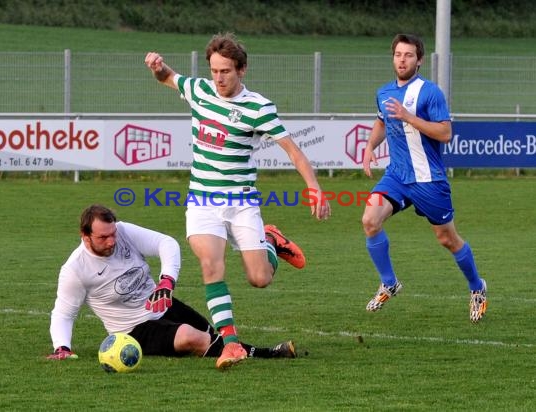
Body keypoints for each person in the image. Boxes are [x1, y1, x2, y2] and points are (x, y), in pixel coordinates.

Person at [144, 32, 331, 369]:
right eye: (215, 70)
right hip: (202, 201)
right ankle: (231, 344)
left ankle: (271, 240)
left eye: (226, 71)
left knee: (259, 279)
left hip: (241, 202)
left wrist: (314, 187)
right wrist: (157, 66)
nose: (219, 78)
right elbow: (167, 78)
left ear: (241, 70)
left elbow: (293, 151)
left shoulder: (258, 107)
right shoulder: (200, 90)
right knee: (211, 265)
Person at [46, 204, 297, 364]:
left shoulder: (122, 232)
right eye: (103, 237)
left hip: (162, 304)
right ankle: (269, 354)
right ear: (85, 236)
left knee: (216, 334)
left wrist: (166, 280)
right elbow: (64, 313)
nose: (112, 241)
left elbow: (166, 243)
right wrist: (62, 348)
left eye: (112, 234)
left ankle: (269, 242)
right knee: (194, 338)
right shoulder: (75, 269)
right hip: (134, 330)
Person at [361, 33, 487, 323]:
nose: (402, 60)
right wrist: (369, 147)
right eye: (398, 54)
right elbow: (382, 121)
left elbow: (445, 133)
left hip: (428, 180)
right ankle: (389, 283)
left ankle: (477, 287)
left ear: (419, 61)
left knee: (447, 239)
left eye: (408, 55)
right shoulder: (383, 92)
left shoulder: (430, 92)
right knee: (370, 221)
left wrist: (409, 117)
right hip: (396, 176)